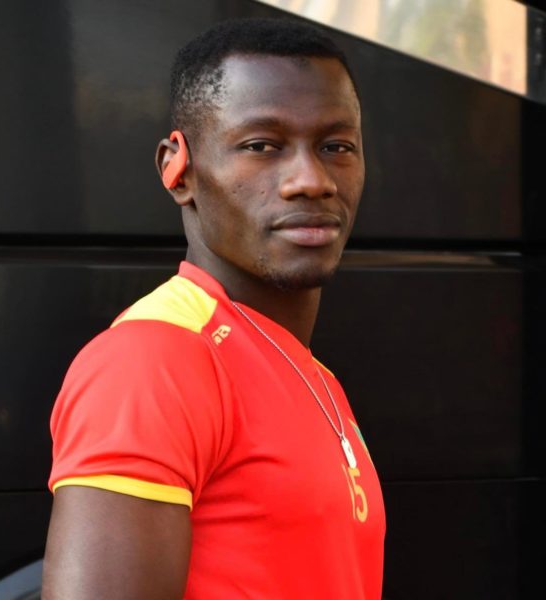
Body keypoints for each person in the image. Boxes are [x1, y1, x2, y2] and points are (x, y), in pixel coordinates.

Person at [42, 17, 385, 600]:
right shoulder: (152, 362)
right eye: (261, 146)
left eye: (336, 147)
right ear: (178, 169)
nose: (312, 180)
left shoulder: (311, 372)